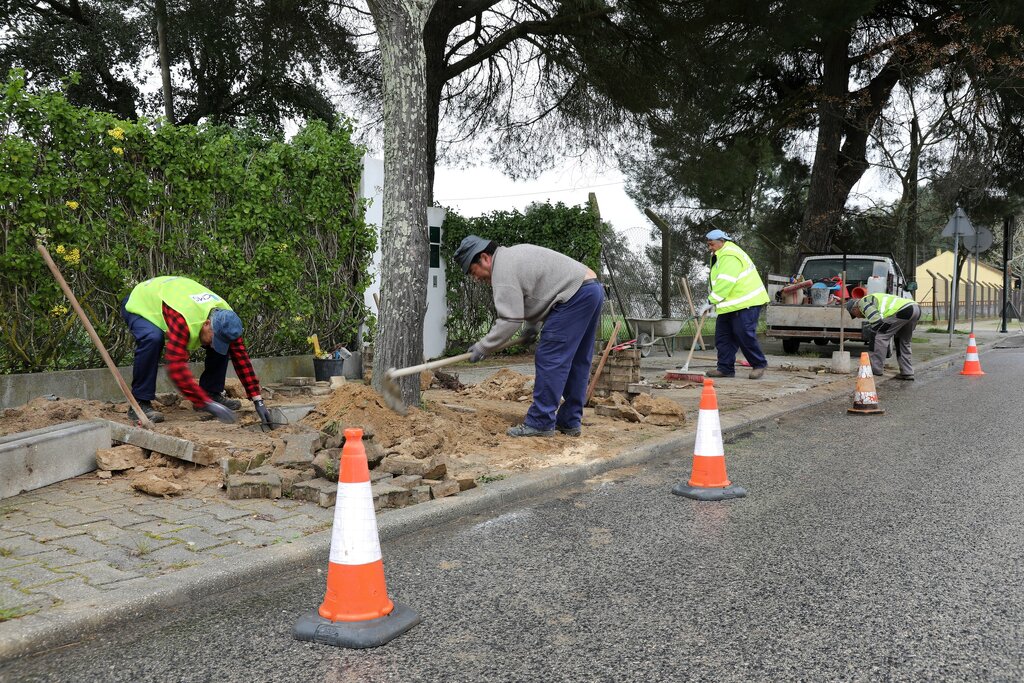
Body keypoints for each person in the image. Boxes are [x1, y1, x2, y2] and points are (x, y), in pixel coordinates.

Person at [455, 235, 604, 438]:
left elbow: (509, 320)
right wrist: (531, 328)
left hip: (573, 295)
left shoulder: (502, 270)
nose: (476, 278)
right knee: (578, 360)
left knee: (550, 357)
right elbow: (536, 295)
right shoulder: (512, 256)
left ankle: (541, 422)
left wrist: (483, 346)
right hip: (590, 289)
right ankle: (570, 421)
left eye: (474, 271)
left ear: (484, 258)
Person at [120, 276, 271, 425]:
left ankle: (211, 393)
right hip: (141, 301)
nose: (213, 346)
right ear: (206, 323)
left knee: (223, 345)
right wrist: (204, 403)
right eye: (213, 339)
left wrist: (258, 400)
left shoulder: (227, 320)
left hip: (171, 297)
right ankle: (139, 403)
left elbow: (241, 357)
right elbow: (175, 366)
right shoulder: (183, 318)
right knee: (153, 338)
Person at [698, 229, 770, 379]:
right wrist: (715, 304)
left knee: (743, 334)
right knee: (723, 337)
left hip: (746, 302)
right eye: (708, 245)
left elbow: (726, 282)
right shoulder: (721, 255)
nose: (709, 248)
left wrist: (711, 301)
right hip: (730, 304)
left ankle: (759, 364)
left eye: (711, 244)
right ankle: (725, 368)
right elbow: (718, 283)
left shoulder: (730, 255)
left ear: (721, 241)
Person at [845, 293, 921, 380]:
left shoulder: (863, 302)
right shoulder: (873, 298)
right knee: (902, 341)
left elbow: (876, 322)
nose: (858, 318)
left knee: (878, 336)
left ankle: (875, 369)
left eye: (855, 315)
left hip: (903, 311)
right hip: (915, 309)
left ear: (854, 309)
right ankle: (907, 372)